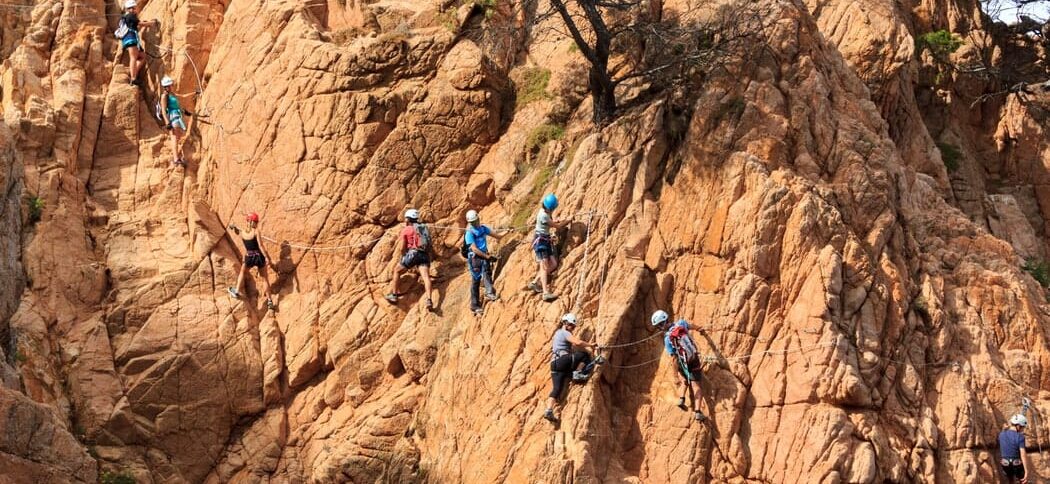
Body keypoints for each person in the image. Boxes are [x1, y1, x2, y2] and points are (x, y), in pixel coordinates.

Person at [543, 313, 602, 424]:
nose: (572, 328)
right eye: (571, 325)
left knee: (557, 389)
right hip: (562, 361)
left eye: (573, 326)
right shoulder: (564, 332)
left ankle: (548, 410)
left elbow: (575, 345)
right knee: (583, 356)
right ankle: (578, 373)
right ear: (565, 323)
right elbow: (578, 342)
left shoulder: (558, 334)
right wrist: (591, 346)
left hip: (555, 365)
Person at [652, 310, 706, 422]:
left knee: (685, 379)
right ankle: (698, 412)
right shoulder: (681, 324)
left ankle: (682, 399)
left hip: (683, 362)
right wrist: (700, 329)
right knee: (696, 386)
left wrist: (675, 376)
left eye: (659, 326)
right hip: (693, 359)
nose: (660, 328)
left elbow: (674, 358)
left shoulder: (667, 339)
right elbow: (691, 326)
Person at [385, 208, 434, 311]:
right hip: (424, 254)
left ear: (408, 219)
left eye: (406, 218)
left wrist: (404, 257)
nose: (405, 220)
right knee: (426, 277)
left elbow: (402, 247)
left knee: (397, 271)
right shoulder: (422, 227)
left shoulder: (407, 229)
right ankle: (429, 299)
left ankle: (394, 295)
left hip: (413, 253)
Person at [227, 212, 275, 310]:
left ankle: (236, 291)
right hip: (259, 256)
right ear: (252, 222)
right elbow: (260, 246)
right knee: (265, 279)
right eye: (256, 221)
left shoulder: (243, 232)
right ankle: (270, 301)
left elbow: (237, 231)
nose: (257, 223)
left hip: (249, 256)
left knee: (242, 272)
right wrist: (266, 257)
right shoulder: (256, 231)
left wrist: (233, 227)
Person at [527, 193, 568, 302]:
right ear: (552, 207)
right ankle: (545, 293)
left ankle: (535, 282)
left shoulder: (545, 212)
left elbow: (551, 223)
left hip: (545, 240)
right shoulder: (544, 215)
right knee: (544, 267)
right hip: (541, 242)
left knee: (553, 264)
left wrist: (557, 220)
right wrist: (568, 220)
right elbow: (557, 227)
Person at [464, 209, 506, 315]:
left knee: (487, 272)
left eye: (475, 221)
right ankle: (474, 305)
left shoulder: (483, 229)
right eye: (472, 222)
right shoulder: (469, 233)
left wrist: (508, 231)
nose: (475, 223)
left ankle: (489, 292)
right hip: (475, 258)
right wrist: (486, 256)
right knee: (476, 280)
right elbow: (473, 248)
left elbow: (497, 236)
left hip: (483, 255)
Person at [118, 0, 156, 85]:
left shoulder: (126, 17)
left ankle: (133, 73)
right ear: (130, 8)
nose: (136, 10)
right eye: (134, 8)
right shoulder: (131, 15)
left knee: (142, 56)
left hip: (130, 38)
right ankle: (133, 77)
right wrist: (151, 23)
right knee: (134, 57)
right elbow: (140, 23)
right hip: (130, 38)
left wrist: (145, 24)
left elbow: (136, 26)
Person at [160, 76, 187, 166]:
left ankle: (177, 157)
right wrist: (167, 122)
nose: (172, 86)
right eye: (170, 85)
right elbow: (163, 110)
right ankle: (176, 159)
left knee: (177, 137)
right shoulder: (164, 96)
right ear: (166, 86)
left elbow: (180, 100)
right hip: (172, 118)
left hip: (177, 115)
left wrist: (184, 111)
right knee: (174, 137)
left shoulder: (172, 94)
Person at [999, 414, 1032, 483]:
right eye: (1022, 427)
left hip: (1005, 464)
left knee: (1011, 479)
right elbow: (1023, 454)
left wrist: (1005, 428)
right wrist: (1026, 471)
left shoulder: (1001, 434)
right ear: (1018, 426)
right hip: (1016, 464)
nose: (1023, 430)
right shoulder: (1020, 437)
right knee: (1023, 480)